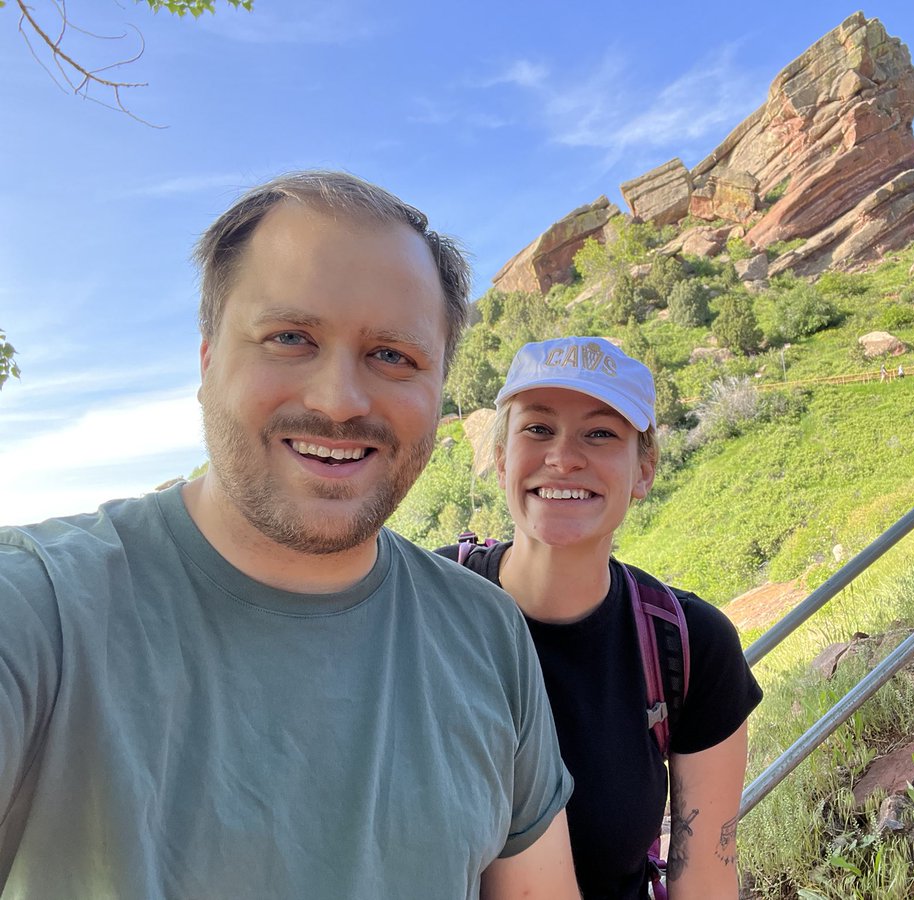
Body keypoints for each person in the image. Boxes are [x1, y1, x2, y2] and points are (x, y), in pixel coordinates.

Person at [0, 172, 579, 899]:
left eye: (393, 355)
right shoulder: (39, 609)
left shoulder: (486, 635)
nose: (339, 401)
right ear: (208, 359)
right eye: (290, 338)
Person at [439, 337, 762, 899]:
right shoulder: (429, 606)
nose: (563, 457)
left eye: (600, 433)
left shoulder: (687, 645)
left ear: (643, 471)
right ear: (500, 459)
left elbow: (707, 872)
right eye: (538, 429)